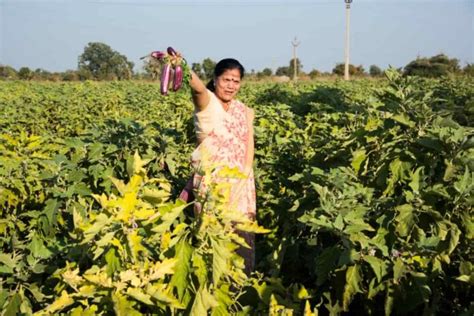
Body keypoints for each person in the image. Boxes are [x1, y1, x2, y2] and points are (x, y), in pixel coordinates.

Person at [178, 58, 256, 274]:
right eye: (226, 80)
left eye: (236, 81)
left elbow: (250, 145)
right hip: (213, 190)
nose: (231, 85)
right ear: (215, 79)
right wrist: (183, 68)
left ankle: (239, 294)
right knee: (212, 248)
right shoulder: (208, 104)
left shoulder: (243, 111)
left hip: (241, 189)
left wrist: (245, 174)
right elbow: (199, 90)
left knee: (241, 250)